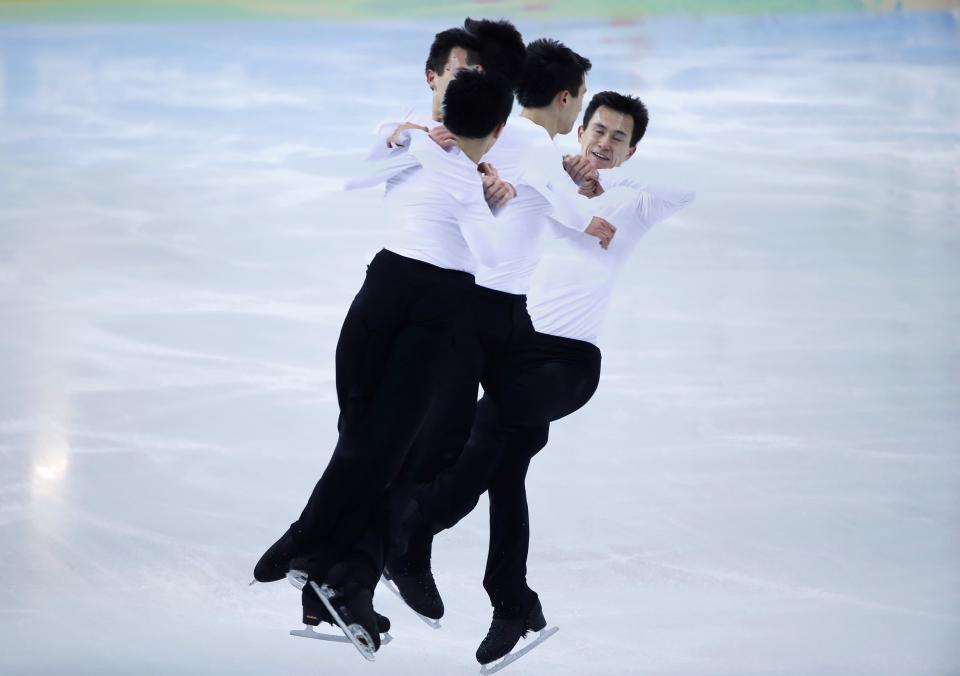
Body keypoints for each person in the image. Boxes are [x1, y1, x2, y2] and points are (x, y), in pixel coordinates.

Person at [392, 91, 696, 665]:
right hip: (512, 348)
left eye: (618, 139)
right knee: (504, 474)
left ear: (632, 152)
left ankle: (407, 536)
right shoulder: (542, 177)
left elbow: (694, 182)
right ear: (578, 129)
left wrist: (598, 181)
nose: (604, 144)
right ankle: (513, 601)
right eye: (597, 132)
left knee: (488, 432)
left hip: (567, 364)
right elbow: (485, 181)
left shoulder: (635, 199)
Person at [252, 68, 517, 656]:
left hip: (384, 288)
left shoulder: (423, 146)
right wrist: (494, 200)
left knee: (369, 436)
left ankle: (328, 568)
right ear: (498, 130)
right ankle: (307, 543)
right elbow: (495, 259)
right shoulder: (472, 184)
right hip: (438, 308)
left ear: (443, 107)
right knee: (378, 445)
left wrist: (406, 137)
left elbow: (358, 174)